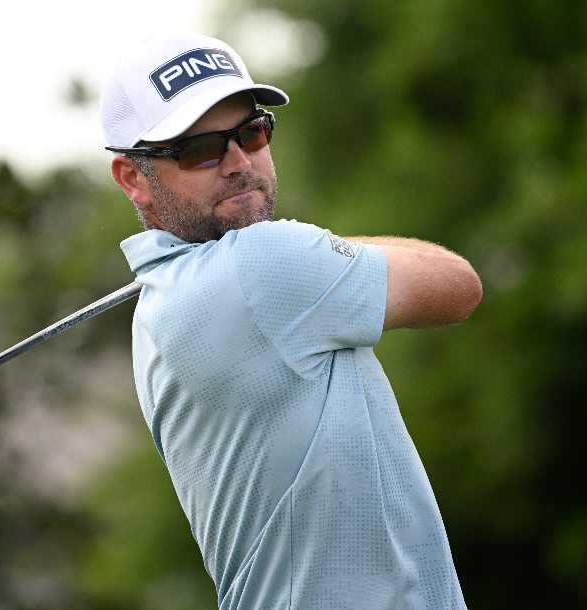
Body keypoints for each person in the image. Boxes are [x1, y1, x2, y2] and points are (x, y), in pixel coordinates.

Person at [100, 32, 482, 609]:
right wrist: (312, 250)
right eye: (200, 150)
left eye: (250, 132)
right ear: (132, 177)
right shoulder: (265, 267)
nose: (238, 163)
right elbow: (458, 286)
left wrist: (313, 252)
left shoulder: (162, 307)